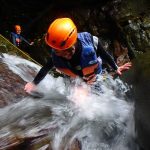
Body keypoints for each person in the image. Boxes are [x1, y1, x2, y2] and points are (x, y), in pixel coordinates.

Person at [24, 18, 131, 93]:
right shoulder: (57, 54)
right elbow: (46, 68)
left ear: (71, 45)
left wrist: (116, 68)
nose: (58, 53)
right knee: (78, 100)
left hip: (94, 74)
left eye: (62, 51)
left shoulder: (90, 42)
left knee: (98, 91)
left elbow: (104, 54)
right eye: (56, 51)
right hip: (77, 77)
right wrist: (34, 83)